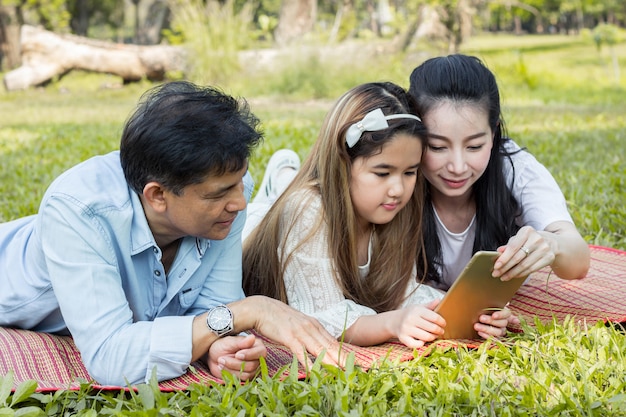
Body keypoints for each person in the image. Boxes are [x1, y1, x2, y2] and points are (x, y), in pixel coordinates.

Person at [0, 81, 345, 386]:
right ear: (158, 196)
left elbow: (213, 309)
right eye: (218, 194)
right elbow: (110, 358)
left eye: (239, 185)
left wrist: (221, 347)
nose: (239, 203)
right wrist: (249, 311)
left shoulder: (226, 199)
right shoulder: (79, 211)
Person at [242, 82, 511, 349]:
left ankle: (283, 178)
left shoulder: (392, 209)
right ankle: (282, 176)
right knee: (284, 200)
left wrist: (472, 312)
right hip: (257, 223)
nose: (398, 189)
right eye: (382, 173)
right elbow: (324, 317)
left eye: (409, 172)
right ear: (342, 163)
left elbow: (404, 294)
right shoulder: (307, 210)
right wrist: (393, 323)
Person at [408, 54, 590, 290]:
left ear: (493, 134)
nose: (457, 167)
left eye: (474, 146)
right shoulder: (398, 176)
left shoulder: (515, 169)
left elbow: (579, 260)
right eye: (437, 147)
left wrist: (551, 244)